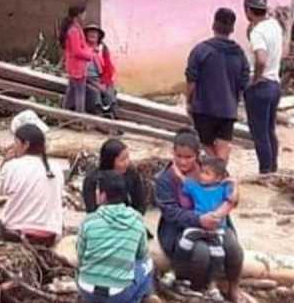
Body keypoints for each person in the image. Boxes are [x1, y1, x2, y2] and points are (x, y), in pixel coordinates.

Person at [154, 130, 243, 299]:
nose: (183, 161)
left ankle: (233, 287)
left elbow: (230, 197)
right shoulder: (165, 179)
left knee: (233, 248)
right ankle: (201, 288)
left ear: (197, 155)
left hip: (216, 223)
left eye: (188, 157)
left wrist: (220, 213)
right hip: (180, 228)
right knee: (201, 254)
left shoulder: (212, 169)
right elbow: (171, 213)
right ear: (173, 153)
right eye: (179, 156)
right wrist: (199, 220)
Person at [185, 8, 250, 163]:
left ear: (214, 25)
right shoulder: (239, 53)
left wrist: (189, 101)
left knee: (206, 146)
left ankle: (215, 173)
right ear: (232, 29)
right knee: (223, 147)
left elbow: (191, 80)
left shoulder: (201, 50)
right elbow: (244, 82)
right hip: (227, 111)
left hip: (204, 108)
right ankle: (220, 175)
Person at [76, 172, 153, 303]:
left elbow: (80, 256)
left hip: (86, 289)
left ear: (103, 195)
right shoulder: (136, 220)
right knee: (148, 264)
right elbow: (142, 255)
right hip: (118, 294)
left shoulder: (89, 221)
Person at [0, 123, 64, 247]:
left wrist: (4, 162)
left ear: (25, 145)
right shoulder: (56, 168)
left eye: (16, 142)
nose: (13, 146)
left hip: (18, 233)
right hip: (50, 234)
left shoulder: (12, 166)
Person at [178, 157, 239, 293]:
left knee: (218, 255)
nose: (201, 175)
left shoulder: (223, 188)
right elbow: (182, 180)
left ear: (218, 178)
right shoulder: (195, 187)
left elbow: (233, 200)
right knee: (184, 244)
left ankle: (214, 284)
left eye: (206, 173)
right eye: (202, 172)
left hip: (217, 229)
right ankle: (177, 273)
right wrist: (175, 168)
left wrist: (234, 184)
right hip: (198, 225)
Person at [243, 0, 284, 175]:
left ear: (249, 11)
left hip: (261, 86)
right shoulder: (274, 25)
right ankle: (273, 168)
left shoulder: (257, 32)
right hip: (275, 84)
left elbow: (260, 59)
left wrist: (255, 79)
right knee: (269, 130)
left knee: (259, 133)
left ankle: (265, 171)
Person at [81, 139, 147, 216]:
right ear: (110, 161)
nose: (127, 162)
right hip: (101, 221)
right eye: (122, 160)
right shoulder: (93, 180)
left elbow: (140, 205)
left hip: (127, 219)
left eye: (127, 157)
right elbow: (91, 210)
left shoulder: (131, 174)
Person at [59, 5, 99, 114]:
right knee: (80, 94)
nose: (85, 15)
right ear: (78, 15)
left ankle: (63, 115)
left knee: (71, 93)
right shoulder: (74, 31)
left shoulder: (76, 28)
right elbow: (77, 51)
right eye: (84, 13)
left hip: (76, 66)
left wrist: (90, 50)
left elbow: (83, 46)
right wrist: (90, 55)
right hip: (77, 67)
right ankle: (80, 118)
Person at [84, 23, 118, 117]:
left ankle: (113, 115)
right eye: (90, 32)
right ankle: (98, 116)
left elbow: (108, 69)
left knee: (110, 90)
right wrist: (98, 85)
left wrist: (105, 82)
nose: (93, 34)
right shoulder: (83, 50)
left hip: (101, 79)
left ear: (99, 36)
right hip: (88, 80)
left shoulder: (102, 50)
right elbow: (85, 73)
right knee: (95, 92)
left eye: (95, 33)